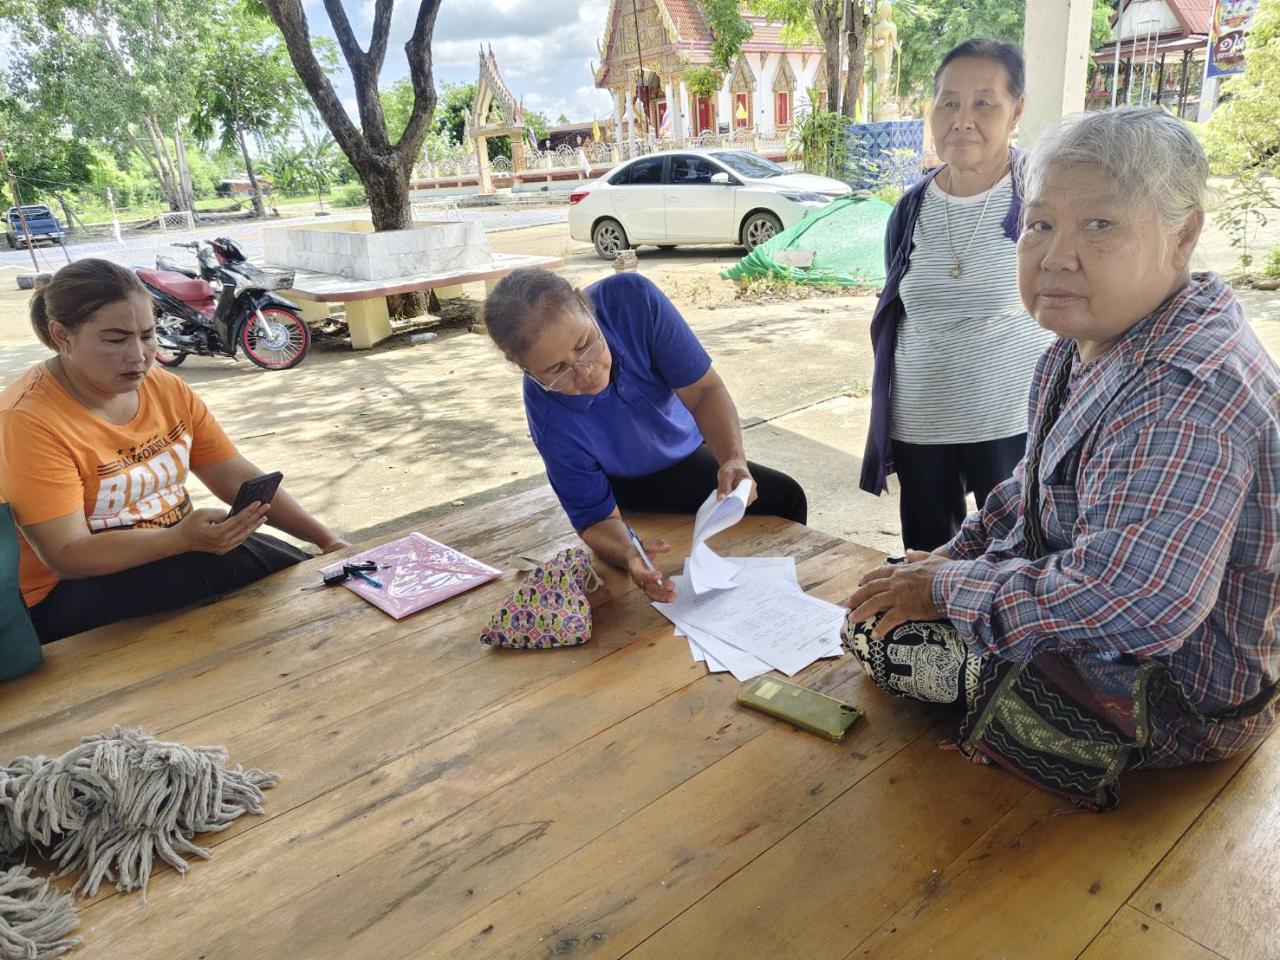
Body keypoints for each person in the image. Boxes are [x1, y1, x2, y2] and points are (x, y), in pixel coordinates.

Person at [842, 109, 1280, 809]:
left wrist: (948, 592)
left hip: (1176, 699)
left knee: (878, 637)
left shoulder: (1184, 391)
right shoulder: (1082, 348)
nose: (1055, 256)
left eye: (1099, 226)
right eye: (1040, 225)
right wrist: (947, 562)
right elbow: (1028, 491)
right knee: (893, 595)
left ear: (1184, 236)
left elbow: (1144, 600)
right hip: (1119, 630)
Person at [0, 259, 349, 644]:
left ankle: (338, 582)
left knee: (243, 562)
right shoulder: (26, 420)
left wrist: (327, 541)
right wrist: (180, 540)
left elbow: (233, 474)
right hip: (61, 595)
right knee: (213, 562)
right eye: (115, 340)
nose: (138, 355)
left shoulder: (163, 387)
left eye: (147, 335)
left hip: (171, 553)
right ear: (62, 336)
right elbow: (66, 553)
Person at [484, 268, 807, 602]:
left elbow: (703, 391)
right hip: (623, 479)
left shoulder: (632, 300)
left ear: (586, 306)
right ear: (526, 369)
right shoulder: (549, 416)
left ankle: (784, 601)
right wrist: (629, 553)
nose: (586, 372)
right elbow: (594, 518)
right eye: (556, 370)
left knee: (784, 497)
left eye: (584, 345)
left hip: (686, 446)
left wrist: (732, 458)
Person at [861, 39, 1054, 551]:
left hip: (1009, 420)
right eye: (948, 101)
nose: (962, 119)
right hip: (920, 420)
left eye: (983, 102)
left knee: (1014, 557)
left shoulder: (1042, 192)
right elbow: (898, 308)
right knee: (926, 565)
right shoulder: (912, 207)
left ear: (1017, 110)